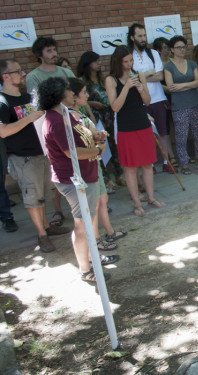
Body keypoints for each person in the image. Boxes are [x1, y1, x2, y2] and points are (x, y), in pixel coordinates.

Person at [38, 77, 115, 282]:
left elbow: (81, 138)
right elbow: (71, 152)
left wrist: (95, 138)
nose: (73, 93)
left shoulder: (65, 114)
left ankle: (91, 260)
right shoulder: (55, 121)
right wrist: (98, 149)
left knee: (86, 224)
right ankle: (86, 269)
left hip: (83, 175)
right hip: (74, 179)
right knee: (82, 226)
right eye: (68, 90)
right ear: (58, 95)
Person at [0, 59, 72, 252]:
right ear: (6, 76)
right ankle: (41, 235)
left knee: (42, 195)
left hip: (41, 153)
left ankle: (47, 227)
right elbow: (3, 131)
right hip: (23, 158)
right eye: (18, 71)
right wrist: (28, 118)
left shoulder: (25, 97)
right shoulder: (2, 102)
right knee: (32, 197)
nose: (23, 74)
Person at [66, 78, 127, 252]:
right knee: (93, 204)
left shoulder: (80, 113)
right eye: (83, 92)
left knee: (103, 198)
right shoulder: (70, 117)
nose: (87, 95)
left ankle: (109, 231)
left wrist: (99, 135)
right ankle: (96, 239)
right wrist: (97, 139)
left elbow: (92, 135)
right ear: (74, 96)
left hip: (95, 161)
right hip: (88, 162)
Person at [105, 45, 166, 216]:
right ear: (118, 62)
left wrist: (140, 88)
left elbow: (147, 101)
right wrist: (125, 88)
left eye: (131, 60)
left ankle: (151, 197)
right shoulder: (111, 80)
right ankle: (137, 203)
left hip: (142, 123)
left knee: (148, 164)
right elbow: (115, 107)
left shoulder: (138, 75)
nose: (129, 64)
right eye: (125, 61)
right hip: (125, 126)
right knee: (130, 167)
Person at [128, 23, 175, 174]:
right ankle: (151, 164)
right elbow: (131, 79)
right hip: (140, 101)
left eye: (144, 35)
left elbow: (160, 76)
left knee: (163, 132)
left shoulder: (153, 53)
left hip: (158, 98)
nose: (143, 39)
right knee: (146, 134)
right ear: (132, 37)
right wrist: (148, 74)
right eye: (139, 36)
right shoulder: (128, 55)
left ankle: (167, 162)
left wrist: (142, 76)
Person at [163, 36, 198, 175]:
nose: (182, 50)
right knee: (181, 136)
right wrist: (190, 85)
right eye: (178, 47)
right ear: (172, 49)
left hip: (194, 103)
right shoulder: (168, 67)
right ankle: (184, 163)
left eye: (184, 47)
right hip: (179, 106)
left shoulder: (191, 64)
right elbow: (171, 87)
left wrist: (182, 85)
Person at [78, 51, 123, 190]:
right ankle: (105, 179)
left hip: (109, 116)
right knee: (99, 146)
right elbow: (81, 101)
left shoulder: (104, 79)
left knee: (114, 145)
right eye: (96, 61)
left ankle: (119, 174)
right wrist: (92, 105)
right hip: (96, 117)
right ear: (88, 63)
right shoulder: (82, 81)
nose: (99, 64)